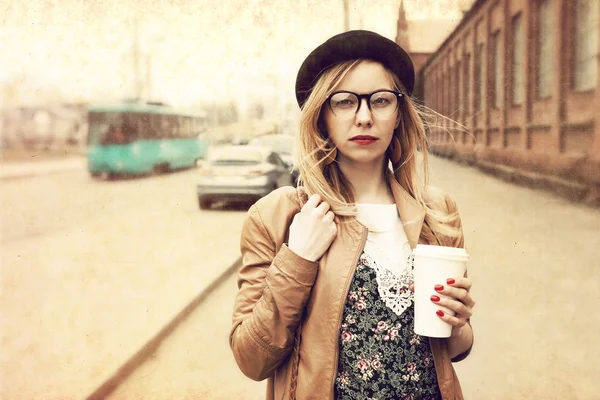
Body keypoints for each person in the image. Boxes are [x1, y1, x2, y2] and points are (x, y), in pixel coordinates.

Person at [230, 30, 475, 400]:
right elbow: (251, 359)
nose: (363, 117)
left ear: (398, 113)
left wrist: (456, 323)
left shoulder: (437, 211)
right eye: (344, 102)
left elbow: (456, 348)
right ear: (321, 116)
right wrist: (298, 259)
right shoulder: (279, 215)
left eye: (379, 100)